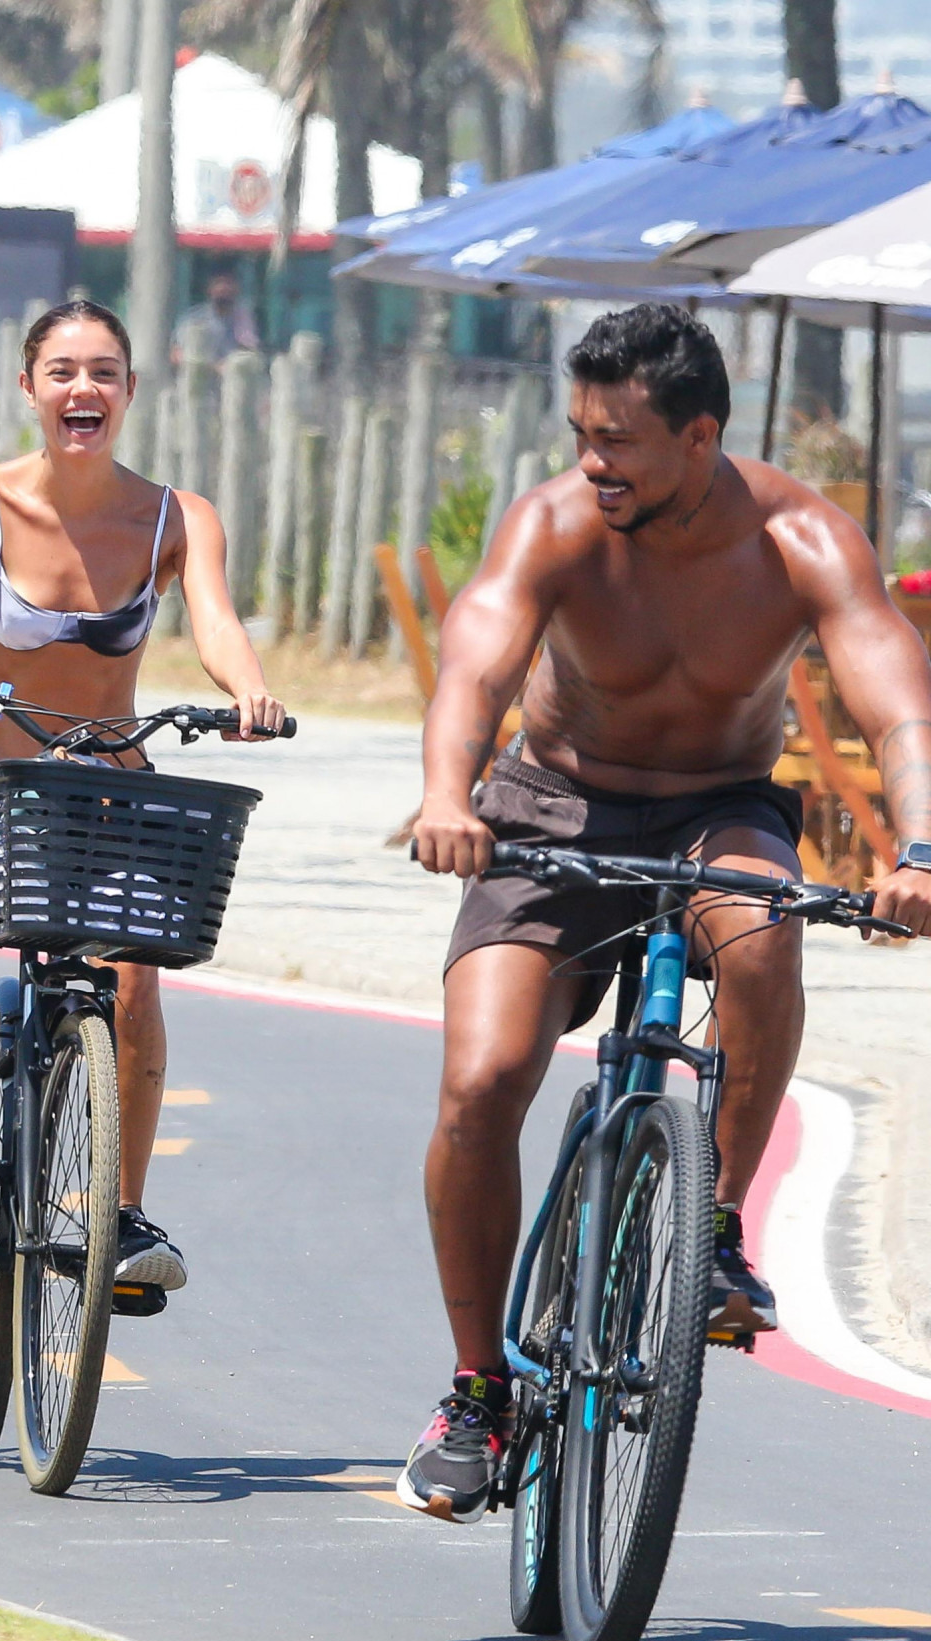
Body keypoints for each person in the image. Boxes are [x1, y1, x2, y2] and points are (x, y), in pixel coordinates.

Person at [399, 303, 931, 1524]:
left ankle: (716, 1233)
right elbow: (476, 665)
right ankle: (478, 1387)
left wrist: (919, 847)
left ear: (700, 437)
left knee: (761, 935)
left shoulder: (800, 535)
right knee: (481, 1085)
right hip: (548, 810)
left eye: (619, 439)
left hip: (719, 809)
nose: (594, 461)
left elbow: (897, 699)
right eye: (582, 431)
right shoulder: (555, 523)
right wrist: (445, 795)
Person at [0, 298, 287, 1296]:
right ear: (30, 388)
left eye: (103, 372)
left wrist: (247, 690)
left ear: (130, 391)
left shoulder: (176, 517)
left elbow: (215, 620)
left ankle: (120, 1215)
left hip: (107, 788)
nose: (83, 389)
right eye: (63, 372)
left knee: (135, 983)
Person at [170, 271, 259, 366]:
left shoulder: (243, 318)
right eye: (218, 284)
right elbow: (176, 354)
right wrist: (210, 366)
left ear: (236, 289)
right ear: (209, 288)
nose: (223, 288)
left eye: (228, 284)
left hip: (231, 374)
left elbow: (249, 350)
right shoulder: (194, 317)